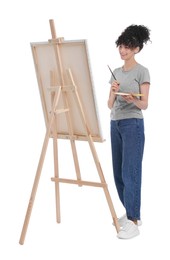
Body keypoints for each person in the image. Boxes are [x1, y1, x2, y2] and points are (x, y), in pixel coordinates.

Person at [107, 24, 151, 239]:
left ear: (137, 49)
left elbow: (145, 105)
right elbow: (109, 104)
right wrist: (114, 91)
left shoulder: (142, 71)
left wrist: (133, 99)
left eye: (128, 47)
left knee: (130, 172)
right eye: (121, 46)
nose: (123, 50)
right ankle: (132, 212)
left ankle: (133, 220)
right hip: (115, 123)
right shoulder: (115, 72)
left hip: (133, 124)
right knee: (117, 173)